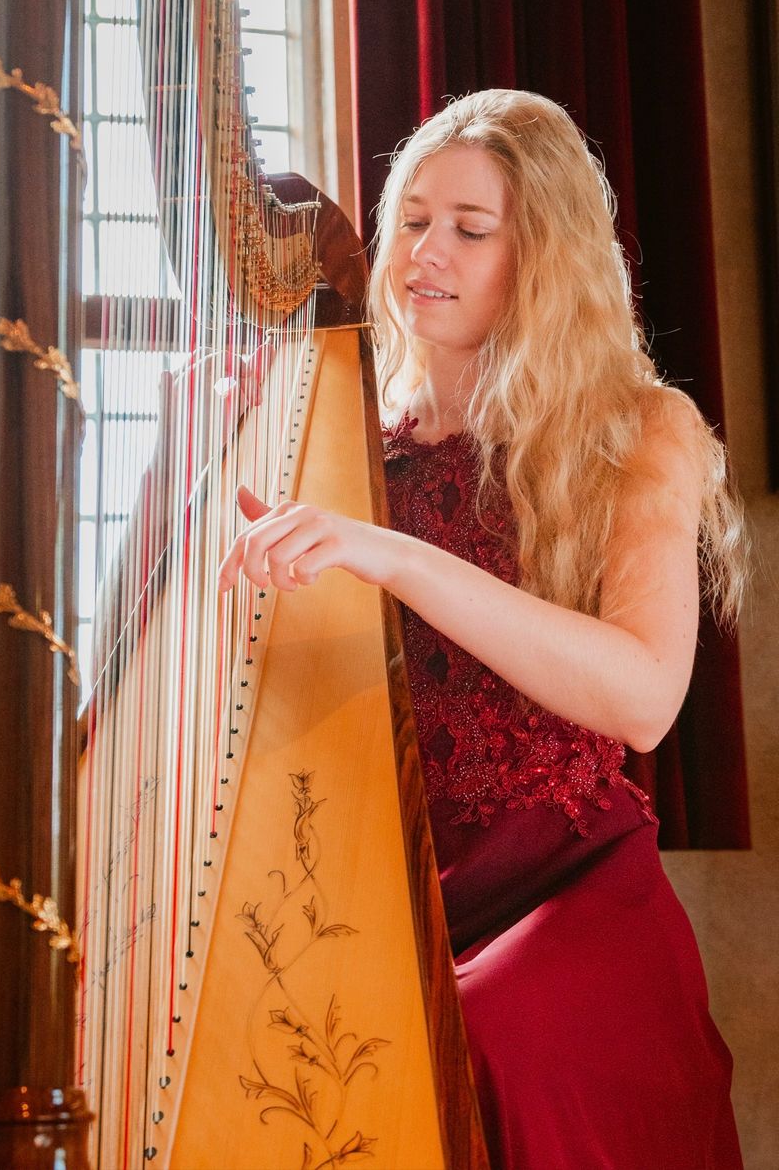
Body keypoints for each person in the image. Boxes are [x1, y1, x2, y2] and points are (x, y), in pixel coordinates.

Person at [218, 88, 748, 1168]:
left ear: (542, 256)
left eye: (470, 229)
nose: (426, 253)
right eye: (414, 220)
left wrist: (396, 556)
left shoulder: (638, 430)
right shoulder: (345, 443)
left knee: (470, 1046)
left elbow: (646, 697)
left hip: (567, 887)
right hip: (393, 888)